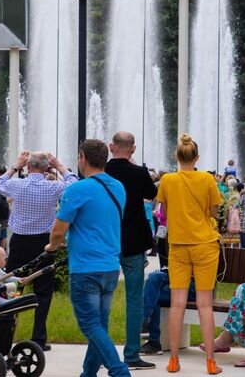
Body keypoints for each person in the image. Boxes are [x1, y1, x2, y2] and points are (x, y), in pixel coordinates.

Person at [45, 138, 130, 377]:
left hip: (86, 269)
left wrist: (51, 246)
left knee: (90, 325)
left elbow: (59, 231)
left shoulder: (77, 189)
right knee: (98, 326)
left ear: (82, 158)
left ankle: (119, 370)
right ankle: (88, 373)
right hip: (111, 267)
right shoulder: (118, 187)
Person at [0, 150, 77, 351]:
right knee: (43, 290)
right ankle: (38, 337)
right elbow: (74, 185)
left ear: (28, 166)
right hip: (44, 242)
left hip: (20, 241)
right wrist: (59, 166)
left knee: (11, 287)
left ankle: (4, 332)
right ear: (46, 168)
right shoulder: (54, 187)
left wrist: (15, 166)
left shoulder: (17, 184)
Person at [157, 134, 224, 375]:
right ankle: (210, 362)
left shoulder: (167, 180)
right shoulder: (206, 179)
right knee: (205, 305)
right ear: (196, 157)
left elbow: (164, 210)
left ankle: (173, 360)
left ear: (177, 156)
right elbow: (215, 213)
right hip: (205, 244)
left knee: (177, 305)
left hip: (178, 246)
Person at [104, 131, 158, 370]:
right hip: (134, 241)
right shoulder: (138, 172)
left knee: (102, 299)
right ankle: (132, 354)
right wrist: (135, 166)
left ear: (110, 147)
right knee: (134, 300)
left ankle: (101, 354)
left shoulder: (102, 171)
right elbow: (151, 193)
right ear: (133, 149)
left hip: (107, 240)